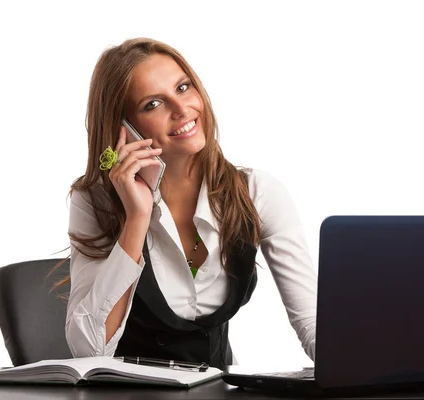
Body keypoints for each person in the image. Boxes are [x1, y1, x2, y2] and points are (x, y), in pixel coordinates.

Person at [61, 37, 317, 369]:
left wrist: (371, 366)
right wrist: (136, 219)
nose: (182, 110)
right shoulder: (95, 202)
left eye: (183, 88)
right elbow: (88, 350)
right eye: (153, 104)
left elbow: (312, 322)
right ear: (123, 129)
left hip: (220, 392)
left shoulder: (257, 193)